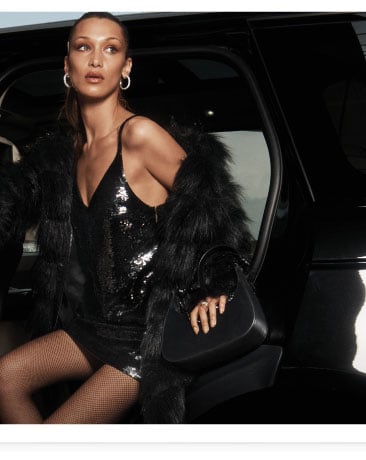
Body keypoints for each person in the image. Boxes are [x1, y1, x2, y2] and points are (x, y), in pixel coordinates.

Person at [0, 12, 254, 423]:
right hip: (92, 325)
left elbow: (214, 208)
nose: (96, 59)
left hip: (144, 339)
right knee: (4, 377)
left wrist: (218, 282)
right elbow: (12, 199)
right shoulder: (67, 154)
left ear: (126, 67)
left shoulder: (139, 135)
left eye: (111, 49)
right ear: (67, 64)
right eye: (84, 47)